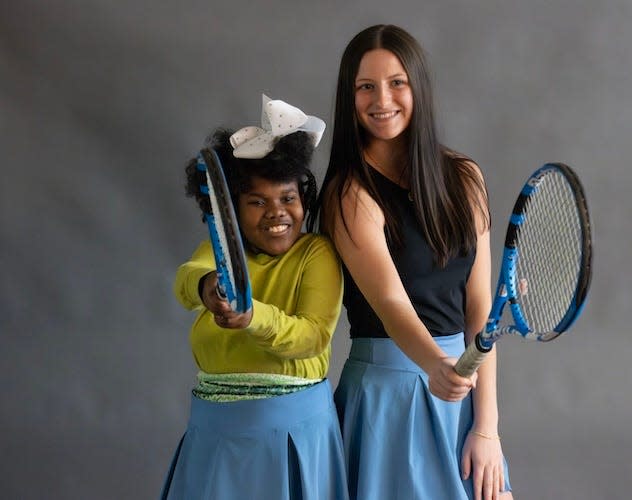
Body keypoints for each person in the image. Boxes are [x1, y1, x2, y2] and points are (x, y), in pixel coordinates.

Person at [309, 25, 513, 499]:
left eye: (397, 82)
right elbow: (389, 302)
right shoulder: (349, 192)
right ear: (350, 96)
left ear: (418, 86)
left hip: (459, 388)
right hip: (387, 400)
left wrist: (487, 428)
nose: (382, 99)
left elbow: (478, 306)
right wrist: (437, 365)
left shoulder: (465, 177)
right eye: (365, 87)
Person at [161, 95, 348, 499]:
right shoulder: (223, 250)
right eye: (257, 202)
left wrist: (252, 316)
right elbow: (187, 280)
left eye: (288, 199)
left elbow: (312, 336)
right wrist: (207, 286)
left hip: (295, 432)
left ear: (304, 200)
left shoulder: (315, 254)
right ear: (230, 211)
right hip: (217, 431)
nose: (276, 212)